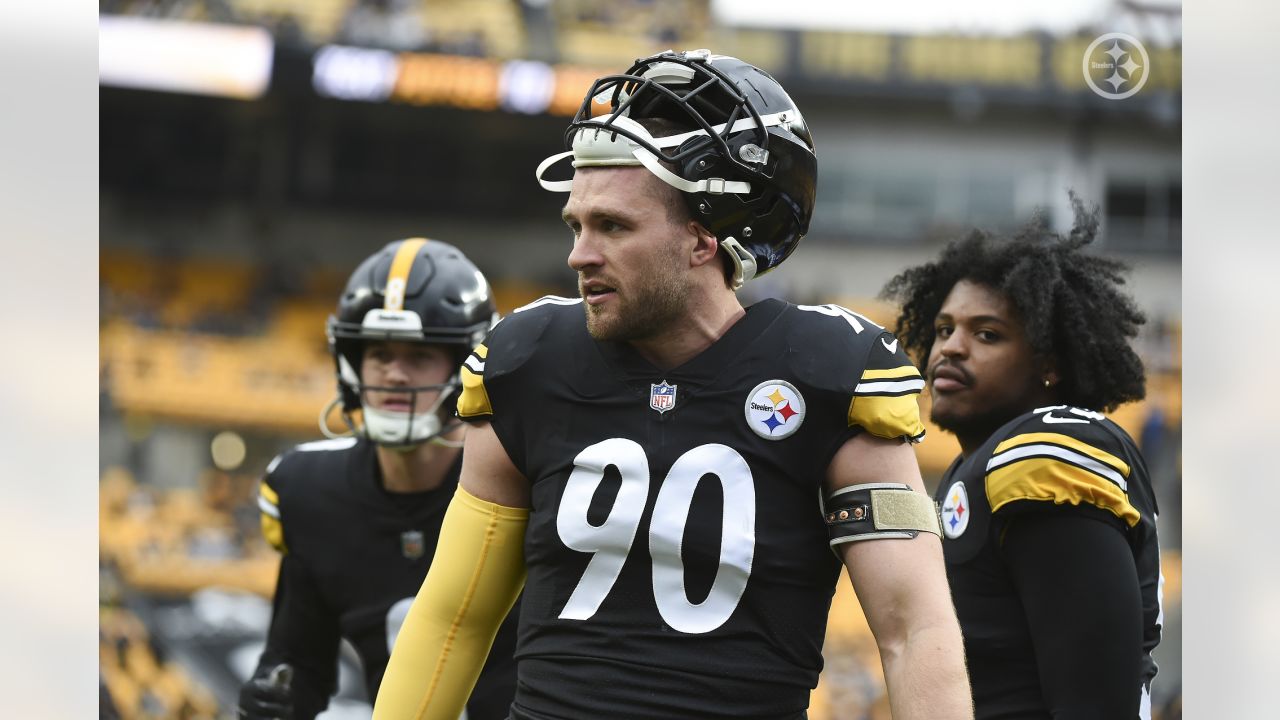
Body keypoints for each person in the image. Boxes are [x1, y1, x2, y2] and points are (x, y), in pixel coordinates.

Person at [375, 50, 971, 720]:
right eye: (577, 224)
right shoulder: (528, 360)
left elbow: (914, 629)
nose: (579, 254)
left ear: (702, 239)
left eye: (614, 226)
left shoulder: (831, 371)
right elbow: (452, 619)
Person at [880, 203, 1162, 719]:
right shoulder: (975, 473)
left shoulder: (1045, 453)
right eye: (943, 329)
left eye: (986, 334)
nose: (952, 348)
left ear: (1050, 365)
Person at [238, 238, 518, 720]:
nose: (394, 374)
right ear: (351, 362)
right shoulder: (309, 490)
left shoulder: (526, 479)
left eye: (418, 356)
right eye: (380, 355)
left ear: (465, 366)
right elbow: (298, 660)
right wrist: (276, 693)